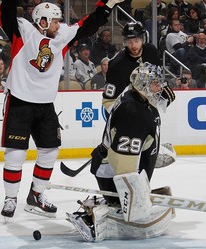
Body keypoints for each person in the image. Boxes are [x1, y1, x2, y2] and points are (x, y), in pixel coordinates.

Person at [0, 0, 125, 219]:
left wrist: (106, 5)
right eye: (54, 20)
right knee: (15, 153)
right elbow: (4, 13)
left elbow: (88, 25)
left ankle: (36, 195)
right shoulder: (22, 30)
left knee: (49, 150)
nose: (59, 24)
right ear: (42, 21)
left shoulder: (62, 36)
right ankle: (11, 198)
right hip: (19, 101)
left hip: (45, 104)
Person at [67, 63, 173, 242]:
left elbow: (148, 111)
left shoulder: (134, 93)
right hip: (112, 172)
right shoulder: (133, 114)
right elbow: (122, 164)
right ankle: (98, 217)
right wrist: (134, 195)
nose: (160, 87)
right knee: (127, 207)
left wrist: (162, 98)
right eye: (156, 83)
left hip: (108, 159)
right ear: (144, 84)